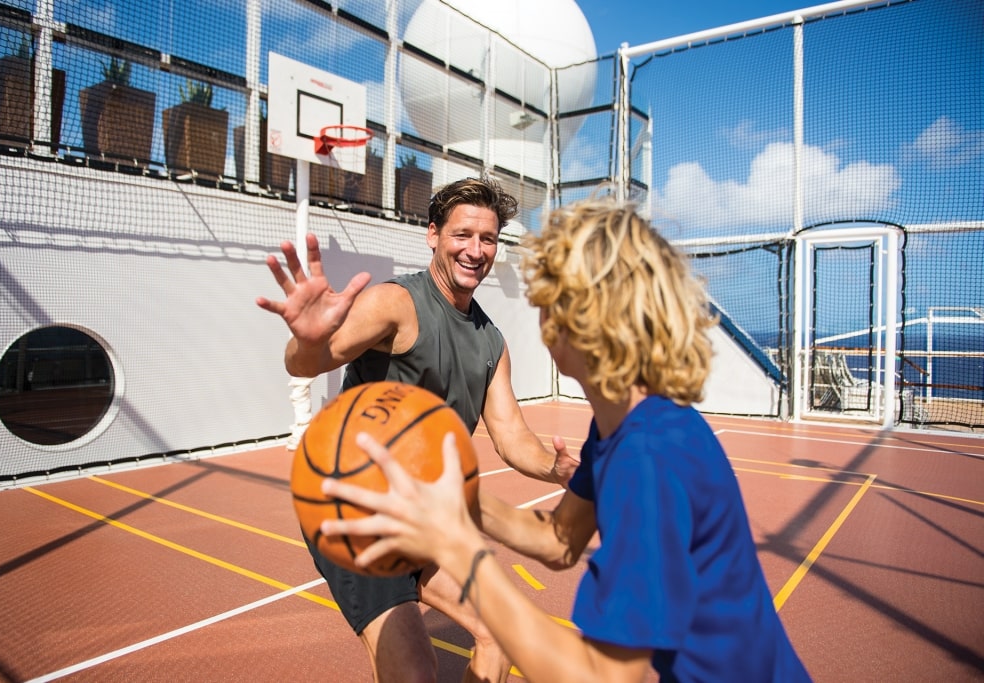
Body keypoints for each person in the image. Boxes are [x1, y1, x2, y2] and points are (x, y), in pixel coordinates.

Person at [319, 196, 813, 682]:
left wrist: (465, 554)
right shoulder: (626, 425)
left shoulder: (649, 462)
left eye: (549, 299)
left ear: (581, 318)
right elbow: (559, 541)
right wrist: (456, 501)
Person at [256, 176, 578, 683]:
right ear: (433, 235)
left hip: (420, 514)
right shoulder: (396, 304)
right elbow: (311, 361)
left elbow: (511, 435)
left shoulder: (490, 341)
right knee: (415, 670)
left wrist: (556, 468)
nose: (475, 250)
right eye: (462, 235)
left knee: (500, 633)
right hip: (353, 509)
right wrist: (309, 342)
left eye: (488, 239)